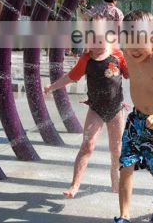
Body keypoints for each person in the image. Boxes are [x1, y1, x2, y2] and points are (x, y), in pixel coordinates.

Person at [44, 17, 129, 198]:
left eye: (100, 40)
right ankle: (75, 185)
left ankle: (115, 176)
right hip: (96, 109)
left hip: (116, 109)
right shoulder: (86, 59)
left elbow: (132, 75)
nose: (96, 45)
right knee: (87, 145)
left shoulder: (118, 56)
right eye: (92, 40)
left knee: (117, 149)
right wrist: (52, 87)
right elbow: (70, 77)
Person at [114, 10, 153, 223]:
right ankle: (124, 215)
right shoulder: (128, 51)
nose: (133, 50)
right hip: (136, 119)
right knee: (126, 165)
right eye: (129, 43)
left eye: (139, 43)